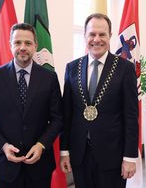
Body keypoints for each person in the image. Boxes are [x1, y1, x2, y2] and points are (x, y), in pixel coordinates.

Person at [0, 23, 63, 188]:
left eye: (28, 43)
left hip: (39, 167)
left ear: (35, 46)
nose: (23, 47)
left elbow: (58, 119)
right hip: (4, 168)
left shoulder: (49, 78)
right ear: (10, 45)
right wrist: (3, 146)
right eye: (17, 43)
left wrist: (41, 145)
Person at [59, 13, 139, 188]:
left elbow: (131, 116)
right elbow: (67, 113)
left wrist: (130, 157)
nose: (97, 39)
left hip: (113, 156)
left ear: (110, 36)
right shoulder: (72, 68)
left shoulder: (125, 69)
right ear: (85, 36)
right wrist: (64, 151)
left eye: (102, 34)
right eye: (92, 34)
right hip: (80, 154)